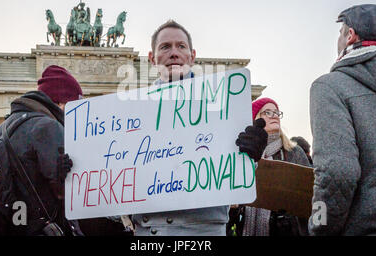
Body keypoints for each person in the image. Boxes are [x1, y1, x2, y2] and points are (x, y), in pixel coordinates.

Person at [122, 20, 267, 236]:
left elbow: (237, 180)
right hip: (150, 232)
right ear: (152, 59)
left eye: (181, 46)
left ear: (192, 56)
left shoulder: (222, 104)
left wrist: (252, 156)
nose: (174, 53)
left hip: (204, 231)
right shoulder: (132, 113)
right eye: (165, 47)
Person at [309, 4, 376, 235]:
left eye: (340, 33)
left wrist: (319, 227)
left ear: (350, 36)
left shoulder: (329, 86)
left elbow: (336, 173)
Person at [0, 65, 83, 235]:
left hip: (7, 225)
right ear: (60, 102)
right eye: (74, 106)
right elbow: (67, 195)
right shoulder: (49, 126)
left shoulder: (5, 126)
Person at [236, 97, 311, 236]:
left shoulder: (294, 152)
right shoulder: (244, 153)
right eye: (268, 112)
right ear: (255, 119)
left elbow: (309, 194)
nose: (275, 115)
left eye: (276, 112)